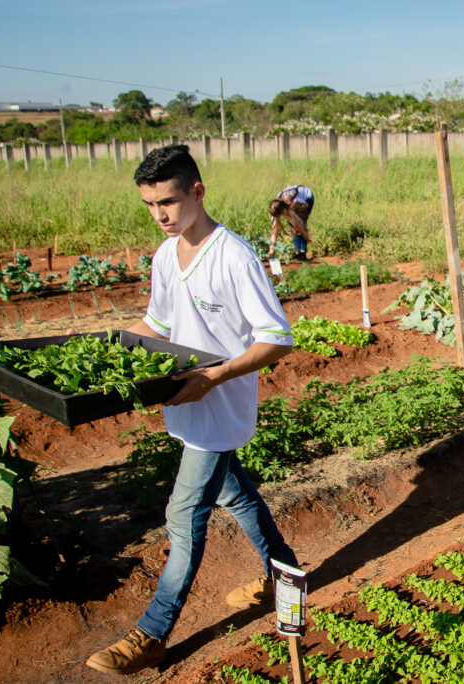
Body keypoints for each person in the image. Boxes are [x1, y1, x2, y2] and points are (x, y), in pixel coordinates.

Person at [86, 145, 299, 675]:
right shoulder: (164, 254)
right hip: (183, 405)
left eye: (168, 202)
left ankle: (153, 632)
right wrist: (96, 348)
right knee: (237, 494)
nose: (159, 214)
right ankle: (285, 574)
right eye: (149, 205)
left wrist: (214, 376)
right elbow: (157, 324)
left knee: (183, 519)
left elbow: (278, 339)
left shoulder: (234, 256)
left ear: (197, 192)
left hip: (217, 408)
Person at [268, 184, 314, 261]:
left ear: (283, 211)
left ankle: (302, 252)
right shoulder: (275, 208)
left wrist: (297, 211)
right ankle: (297, 251)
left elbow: (306, 205)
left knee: (299, 223)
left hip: (307, 197)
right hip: (293, 202)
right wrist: (271, 250)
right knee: (292, 224)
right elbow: (274, 230)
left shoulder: (294, 202)